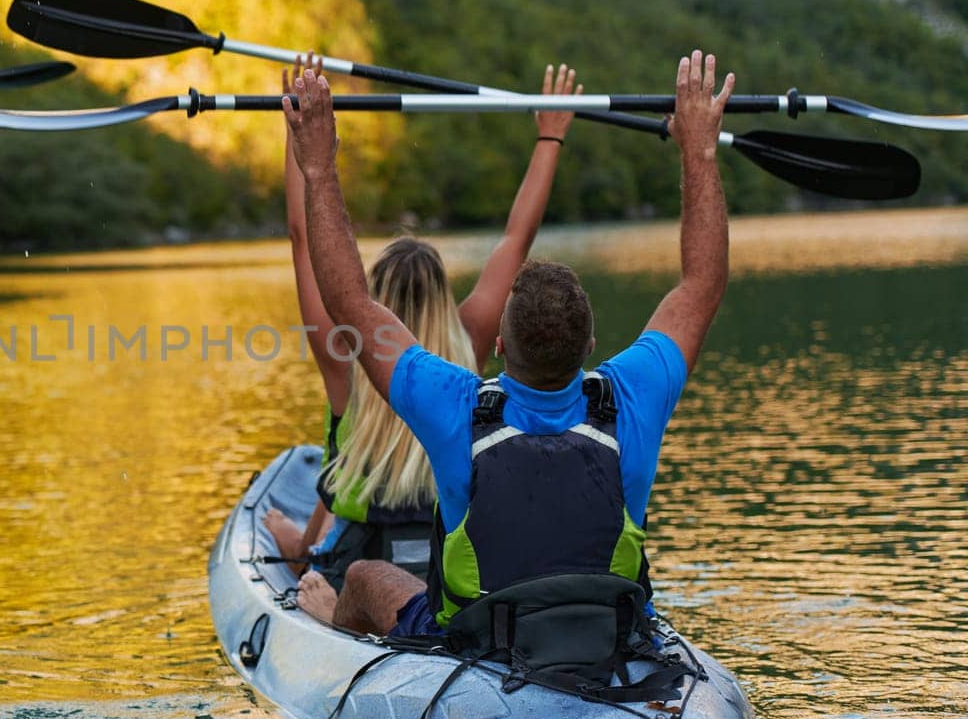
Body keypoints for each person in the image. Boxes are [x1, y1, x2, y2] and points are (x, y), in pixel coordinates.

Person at [283, 50, 733, 638]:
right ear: (591, 343)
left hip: (481, 636)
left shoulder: (454, 404)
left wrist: (318, 166)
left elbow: (349, 303)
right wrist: (699, 150)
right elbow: (702, 284)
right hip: (606, 629)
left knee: (368, 574)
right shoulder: (632, 394)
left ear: (498, 343)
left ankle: (327, 626)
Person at [265, 55, 583, 622]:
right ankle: (301, 547)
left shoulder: (348, 349)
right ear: (442, 295)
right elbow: (518, 236)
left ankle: (312, 579)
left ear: (372, 298)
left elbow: (300, 239)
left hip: (361, 561)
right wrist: (549, 137)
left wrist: (305, 141)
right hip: (454, 557)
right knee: (314, 525)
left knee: (307, 537)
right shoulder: (470, 339)